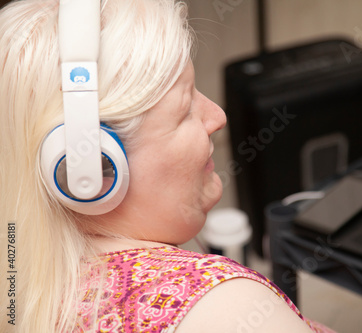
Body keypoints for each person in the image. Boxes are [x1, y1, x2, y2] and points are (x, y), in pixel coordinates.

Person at [0, 0, 336, 332]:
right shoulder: (227, 307)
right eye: (186, 107)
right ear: (89, 168)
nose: (217, 117)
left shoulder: (18, 289)